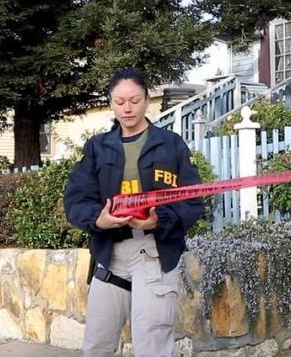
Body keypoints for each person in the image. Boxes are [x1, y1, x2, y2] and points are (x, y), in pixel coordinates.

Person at [64, 68, 204, 357]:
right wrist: (97, 219)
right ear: (111, 102)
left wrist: (159, 220)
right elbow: (76, 198)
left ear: (146, 100)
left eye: (135, 100)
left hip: (153, 252)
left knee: (151, 346)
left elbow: (192, 200)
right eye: (119, 101)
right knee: (96, 346)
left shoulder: (171, 144)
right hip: (109, 254)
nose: (127, 108)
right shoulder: (97, 147)